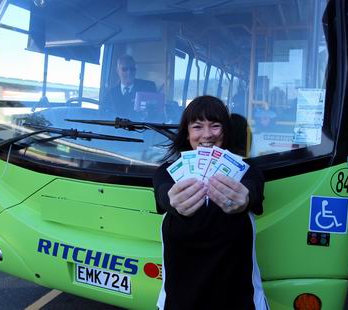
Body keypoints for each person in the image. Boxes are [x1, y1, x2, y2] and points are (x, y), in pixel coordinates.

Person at [153, 95, 269, 310]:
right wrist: (172, 199)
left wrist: (244, 199)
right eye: (197, 127)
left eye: (215, 126)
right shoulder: (167, 172)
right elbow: (162, 192)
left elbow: (254, 189)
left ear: (225, 131)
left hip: (239, 301)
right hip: (179, 302)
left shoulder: (245, 170)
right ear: (187, 134)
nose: (207, 135)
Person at [104, 54, 157, 118]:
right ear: (118, 71)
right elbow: (105, 116)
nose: (129, 72)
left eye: (132, 69)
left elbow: (155, 114)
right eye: (124, 69)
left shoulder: (148, 87)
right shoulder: (110, 94)